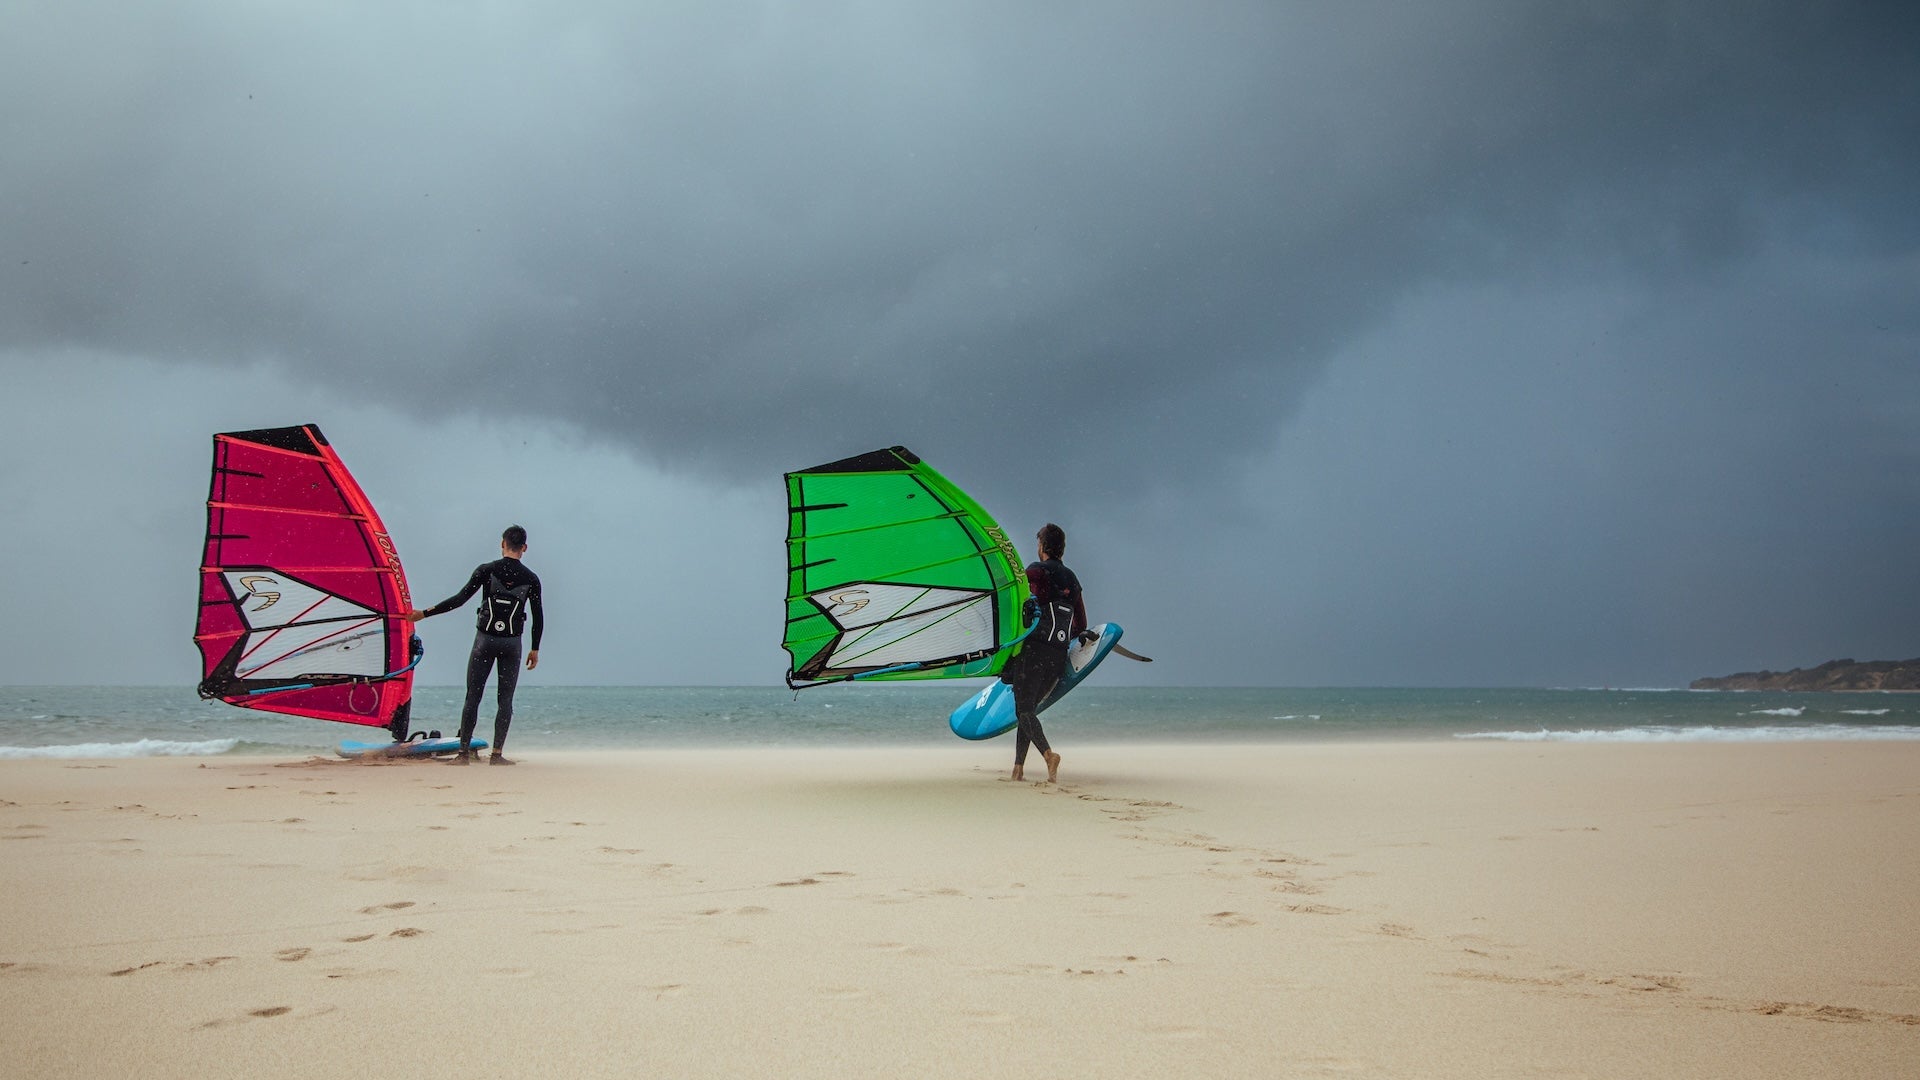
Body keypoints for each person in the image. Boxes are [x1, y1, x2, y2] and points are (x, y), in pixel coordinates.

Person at [409, 525, 543, 765]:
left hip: (485, 641)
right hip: (512, 644)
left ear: (502, 544)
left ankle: (462, 755)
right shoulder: (531, 579)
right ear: (524, 548)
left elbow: (459, 600)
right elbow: (538, 617)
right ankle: (497, 755)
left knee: (473, 697)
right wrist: (535, 649)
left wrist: (424, 613)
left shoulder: (486, 570)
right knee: (506, 700)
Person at [1002, 523, 1086, 783]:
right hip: (1058, 654)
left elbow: (1021, 609)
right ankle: (1017, 769)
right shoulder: (1072, 579)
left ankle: (1049, 755)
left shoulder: (1035, 572)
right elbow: (1080, 623)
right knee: (1027, 711)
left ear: (1042, 546)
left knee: (1023, 710)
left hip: (1034, 651)